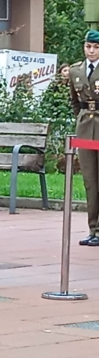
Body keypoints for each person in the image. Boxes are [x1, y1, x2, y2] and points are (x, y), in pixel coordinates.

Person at [70, 30, 99, 247]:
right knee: (90, 181)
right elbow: (75, 102)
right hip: (85, 130)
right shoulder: (75, 71)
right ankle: (93, 229)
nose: (91, 51)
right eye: (88, 46)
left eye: (96, 47)